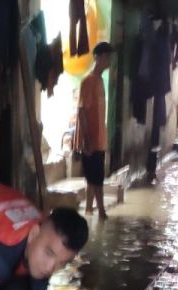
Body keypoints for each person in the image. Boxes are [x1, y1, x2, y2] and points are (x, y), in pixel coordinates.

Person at [77, 41, 114, 220]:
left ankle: (90, 210)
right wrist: (87, 138)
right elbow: (82, 110)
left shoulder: (99, 81)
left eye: (110, 58)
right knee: (96, 178)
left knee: (94, 178)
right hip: (91, 139)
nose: (109, 61)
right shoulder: (89, 81)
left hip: (98, 138)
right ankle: (101, 212)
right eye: (107, 57)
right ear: (98, 58)